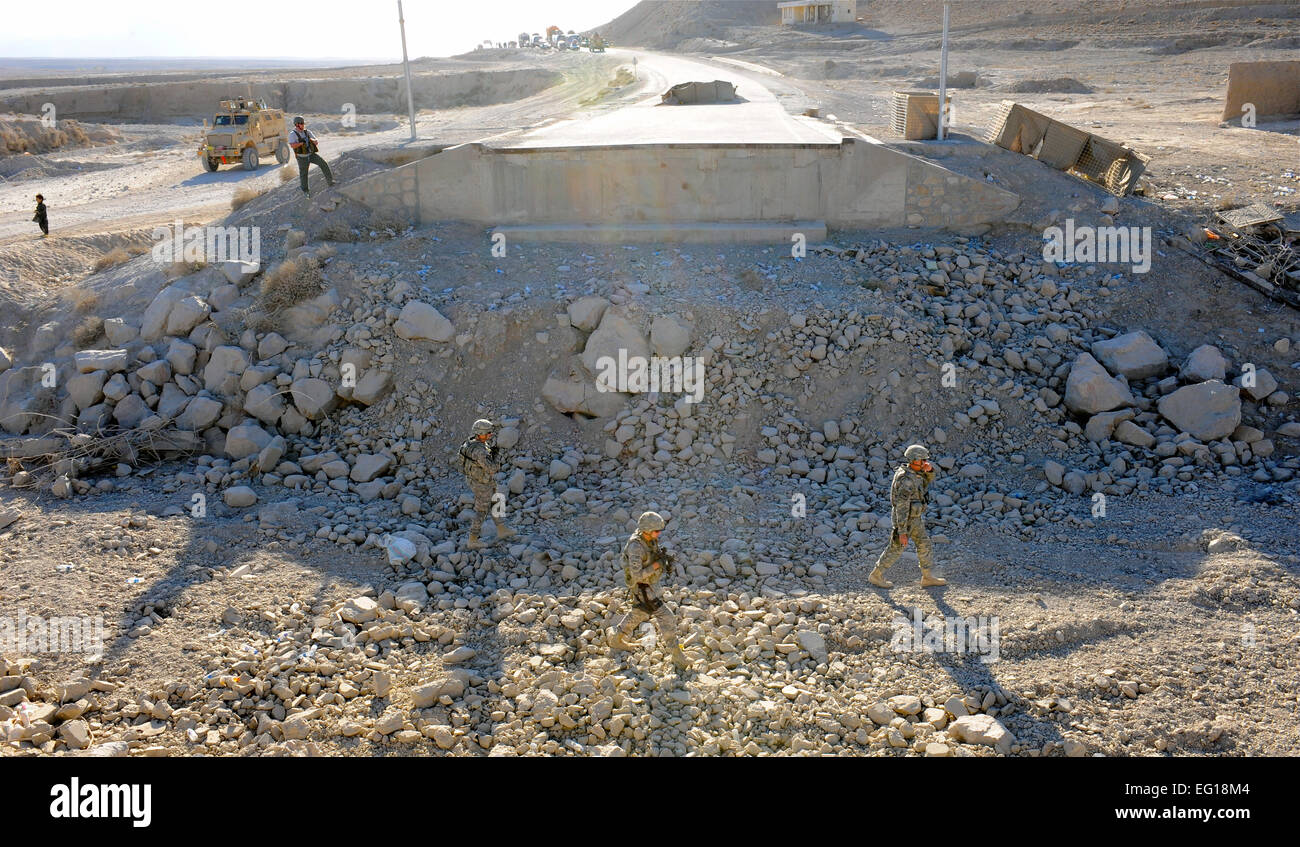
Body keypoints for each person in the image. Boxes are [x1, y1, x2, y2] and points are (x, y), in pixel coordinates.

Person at [610, 511, 691, 670]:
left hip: (649, 586)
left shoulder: (648, 539)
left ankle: (617, 640)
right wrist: (656, 566)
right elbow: (637, 575)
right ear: (646, 530)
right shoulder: (636, 547)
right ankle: (677, 654)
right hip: (643, 588)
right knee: (666, 616)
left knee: (639, 613)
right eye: (656, 531)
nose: (658, 534)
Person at [869, 444, 948, 588]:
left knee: (924, 544)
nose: (924, 463)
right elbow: (902, 506)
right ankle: (876, 575)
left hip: (915, 518)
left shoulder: (914, 473)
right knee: (896, 548)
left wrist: (929, 471)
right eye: (922, 460)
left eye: (925, 460)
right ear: (913, 460)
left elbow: (925, 481)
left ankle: (927, 576)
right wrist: (902, 531)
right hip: (904, 519)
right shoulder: (905, 479)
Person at [458, 419, 515, 549]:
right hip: (481, 483)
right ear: (480, 433)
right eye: (487, 433)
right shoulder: (480, 451)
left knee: (497, 499)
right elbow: (492, 469)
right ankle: (472, 540)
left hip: (477, 479)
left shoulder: (469, 443)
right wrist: (497, 457)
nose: (490, 435)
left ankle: (501, 529)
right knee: (481, 511)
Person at [288, 116, 334, 196]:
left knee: (323, 164)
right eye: (301, 124)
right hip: (302, 158)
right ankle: (305, 191)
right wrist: (301, 143)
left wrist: (310, 140)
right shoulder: (292, 134)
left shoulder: (307, 132)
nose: (303, 125)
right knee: (304, 174)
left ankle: (330, 182)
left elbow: (316, 141)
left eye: (303, 123)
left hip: (311, 155)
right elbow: (292, 145)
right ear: (297, 124)